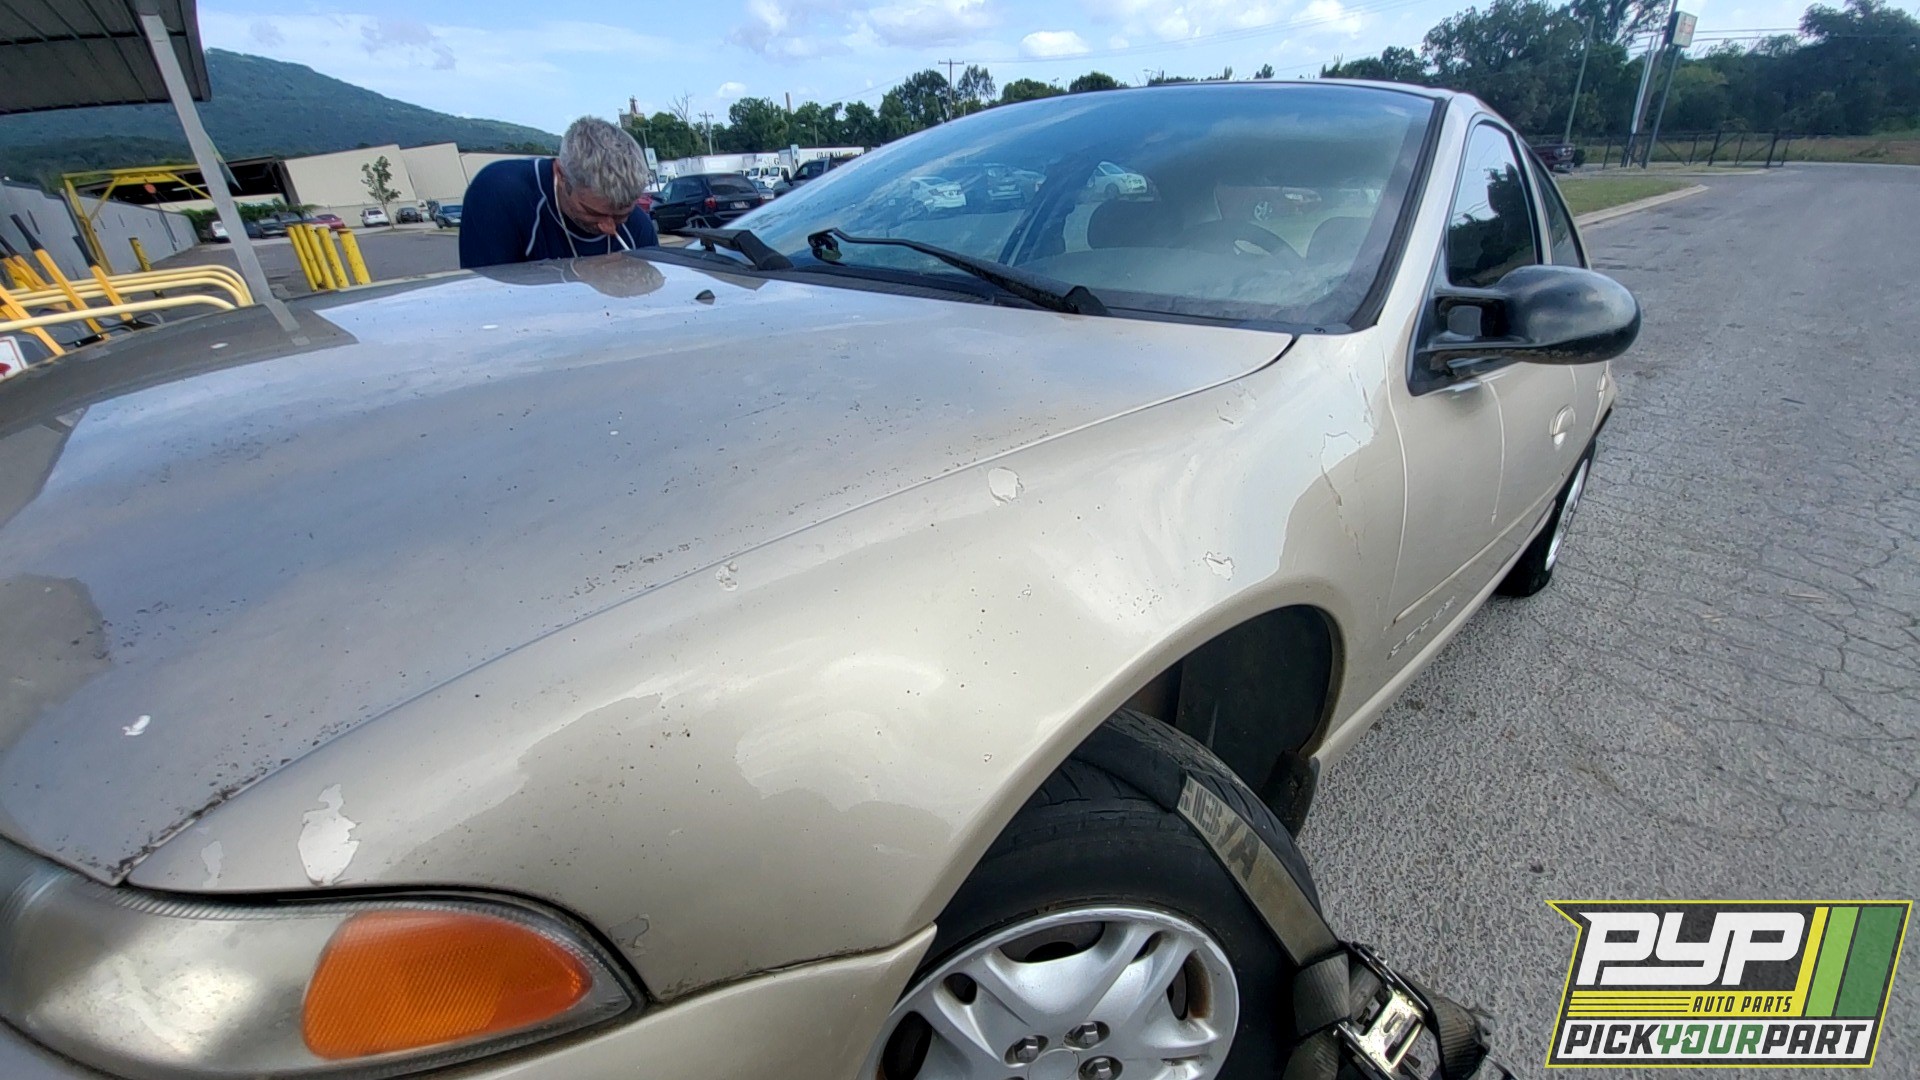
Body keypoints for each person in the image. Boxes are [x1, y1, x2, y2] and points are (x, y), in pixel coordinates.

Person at [458, 117, 659, 269]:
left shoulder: (638, 227)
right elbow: (487, 298)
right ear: (561, 175)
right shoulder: (500, 196)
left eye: (622, 216)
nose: (609, 227)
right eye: (595, 213)